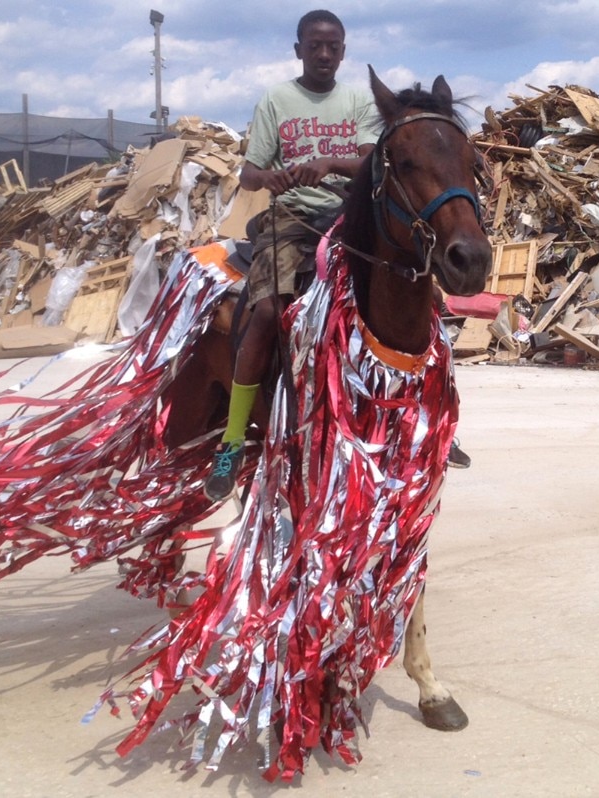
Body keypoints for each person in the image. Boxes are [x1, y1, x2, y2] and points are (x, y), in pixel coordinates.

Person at [204, 10, 378, 501]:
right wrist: (271, 178)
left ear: (343, 51)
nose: (324, 54)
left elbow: (369, 159)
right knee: (264, 312)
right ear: (298, 48)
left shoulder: (358, 99)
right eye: (315, 45)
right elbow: (249, 173)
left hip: (349, 219)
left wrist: (328, 163)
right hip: (292, 222)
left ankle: (428, 417)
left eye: (334, 46)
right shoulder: (277, 99)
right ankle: (233, 438)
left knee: (410, 297)